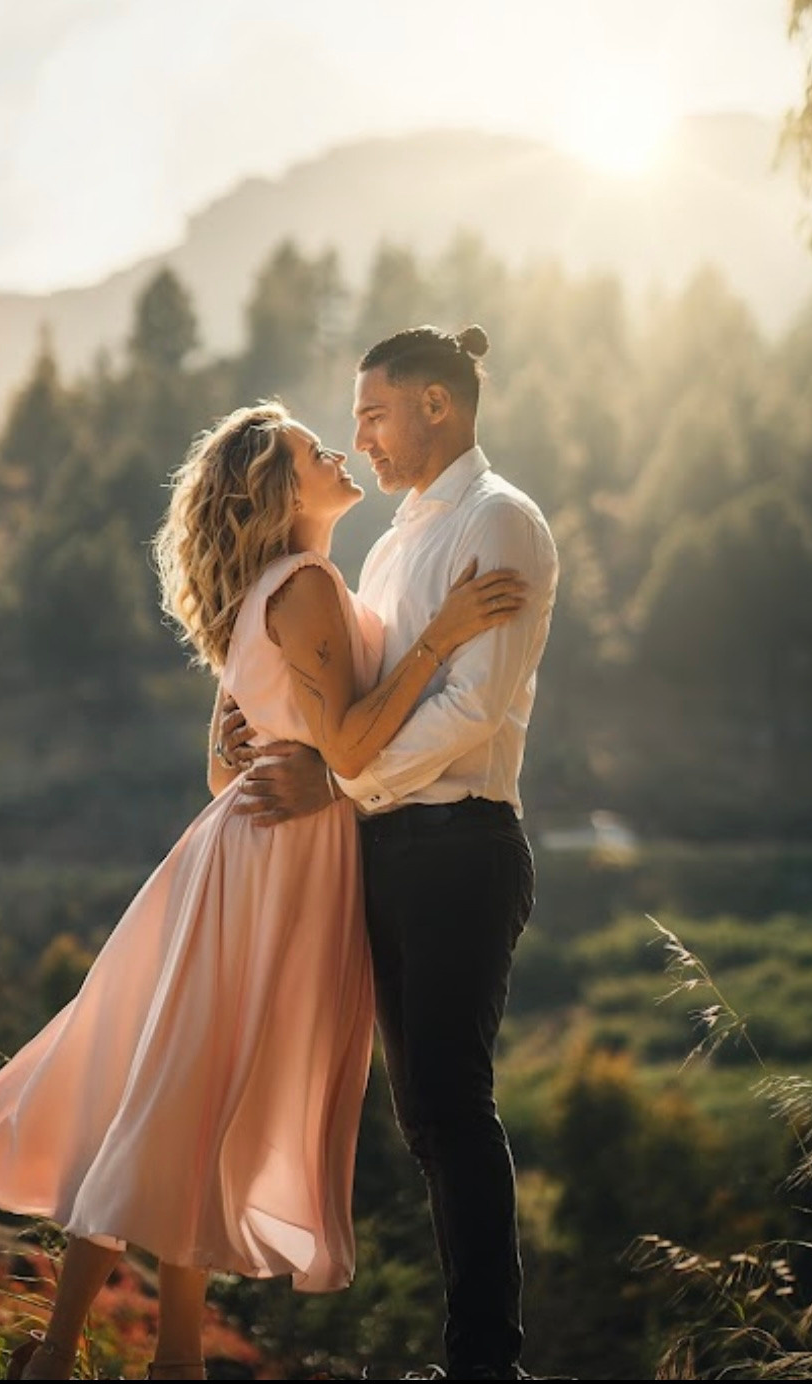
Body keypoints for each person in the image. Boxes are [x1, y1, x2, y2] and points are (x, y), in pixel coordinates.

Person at [0, 399, 527, 1383]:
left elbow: (218, 759)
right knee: (192, 1099)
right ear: (279, 492)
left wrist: (284, 755)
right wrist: (443, 633)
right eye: (308, 448)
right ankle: (114, 1358)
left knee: (192, 1100)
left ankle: (123, 1356)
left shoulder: (271, 587)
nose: (335, 448)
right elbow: (351, 744)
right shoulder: (310, 584)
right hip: (281, 864)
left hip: (255, 851)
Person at [223, 326, 559, 1383]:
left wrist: (341, 777)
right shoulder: (384, 545)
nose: (358, 434)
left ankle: (484, 1362)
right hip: (384, 850)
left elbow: (472, 709)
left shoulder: (501, 522)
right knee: (423, 1116)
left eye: (372, 413)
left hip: (462, 842)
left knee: (452, 1098)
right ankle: (472, 1354)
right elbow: (349, 704)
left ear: (435, 407)